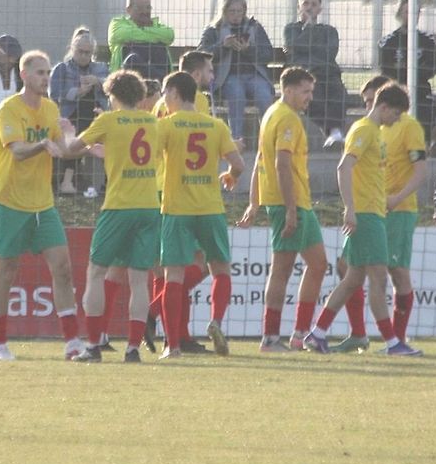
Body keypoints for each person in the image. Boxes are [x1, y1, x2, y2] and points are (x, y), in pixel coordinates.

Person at [304, 81, 422, 356]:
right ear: (383, 107)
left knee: (353, 279)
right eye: (395, 114)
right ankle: (393, 343)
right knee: (378, 279)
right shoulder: (364, 130)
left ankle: (317, 334)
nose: (396, 121)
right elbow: (344, 166)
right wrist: (350, 209)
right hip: (366, 214)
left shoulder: (376, 132)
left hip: (373, 213)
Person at [0, 50, 83, 362]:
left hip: (43, 204)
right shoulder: (8, 109)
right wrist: (42, 144)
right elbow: (16, 151)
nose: (46, 79)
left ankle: (72, 343)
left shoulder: (52, 108)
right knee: (7, 272)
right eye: (40, 73)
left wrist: (74, 137)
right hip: (10, 201)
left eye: (48, 73)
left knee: (64, 269)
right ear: (25, 76)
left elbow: (65, 150)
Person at [67, 70, 160, 364]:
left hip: (119, 205)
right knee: (139, 280)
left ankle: (93, 345)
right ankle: (132, 349)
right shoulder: (153, 122)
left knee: (96, 272)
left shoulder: (108, 120)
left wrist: (67, 129)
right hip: (148, 206)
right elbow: (131, 150)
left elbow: (71, 149)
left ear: (112, 96)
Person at [237, 67, 327, 353]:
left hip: (292, 202)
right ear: (287, 90)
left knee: (317, 264)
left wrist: (254, 201)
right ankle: (272, 337)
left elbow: (260, 161)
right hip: (291, 202)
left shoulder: (272, 114)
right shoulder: (287, 119)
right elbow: (280, 164)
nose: (309, 97)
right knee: (282, 269)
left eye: (311, 92)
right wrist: (290, 209)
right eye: (305, 91)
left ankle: (299, 334)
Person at [156, 71, 244, 357]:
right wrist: (230, 176)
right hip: (210, 208)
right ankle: (216, 321)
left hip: (177, 209)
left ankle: (173, 346)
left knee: (174, 276)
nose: (163, 100)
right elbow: (239, 164)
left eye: (164, 94)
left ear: (174, 94)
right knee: (220, 269)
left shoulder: (167, 126)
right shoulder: (216, 126)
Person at [200, 0, 276, 139]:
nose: (235, 15)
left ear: (244, 11)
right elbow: (202, 54)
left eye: (239, 11)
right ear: (224, 11)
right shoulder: (213, 29)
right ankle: (236, 140)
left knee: (264, 96)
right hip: (228, 77)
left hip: (254, 75)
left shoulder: (254, 27)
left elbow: (268, 54)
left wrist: (248, 50)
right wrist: (223, 46)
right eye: (232, 11)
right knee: (236, 95)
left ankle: (268, 139)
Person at [282, 0, 347, 148]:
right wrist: (309, 29)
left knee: (339, 94)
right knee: (311, 97)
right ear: (299, 8)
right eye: (306, 3)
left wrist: (304, 47)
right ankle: (332, 131)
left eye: (314, 4)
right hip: (303, 75)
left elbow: (329, 53)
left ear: (319, 10)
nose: (309, 7)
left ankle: (336, 132)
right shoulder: (291, 29)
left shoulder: (329, 30)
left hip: (327, 73)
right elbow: (294, 46)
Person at [50, 27, 109, 194]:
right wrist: (78, 92)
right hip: (71, 115)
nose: (84, 56)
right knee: (77, 130)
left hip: (98, 113)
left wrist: (98, 81)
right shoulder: (62, 68)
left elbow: (113, 88)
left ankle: (107, 182)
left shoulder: (101, 68)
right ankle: (67, 181)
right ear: (72, 49)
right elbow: (54, 94)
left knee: (107, 131)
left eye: (88, 53)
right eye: (80, 52)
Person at [378, 0, 436, 138]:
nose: (411, 16)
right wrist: (412, 70)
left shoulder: (427, 41)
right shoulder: (389, 42)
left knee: (425, 106)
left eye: (415, 12)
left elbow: (431, 68)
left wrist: (407, 70)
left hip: (420, 87)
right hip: (395, 87)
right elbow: (386, 70)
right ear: (400, 14)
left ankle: (424, 143)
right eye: (407, 12)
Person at [107, 0, 175, 73]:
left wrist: (139, 32)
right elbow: (122, 34)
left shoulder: (158, 25)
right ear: (128, 10)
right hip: (125, 78)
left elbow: (169, 35)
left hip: (158, 79)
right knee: (133, 59)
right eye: (139, 8)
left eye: (148, 7)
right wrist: (154, 35)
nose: (144, 11)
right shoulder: (117, 24)